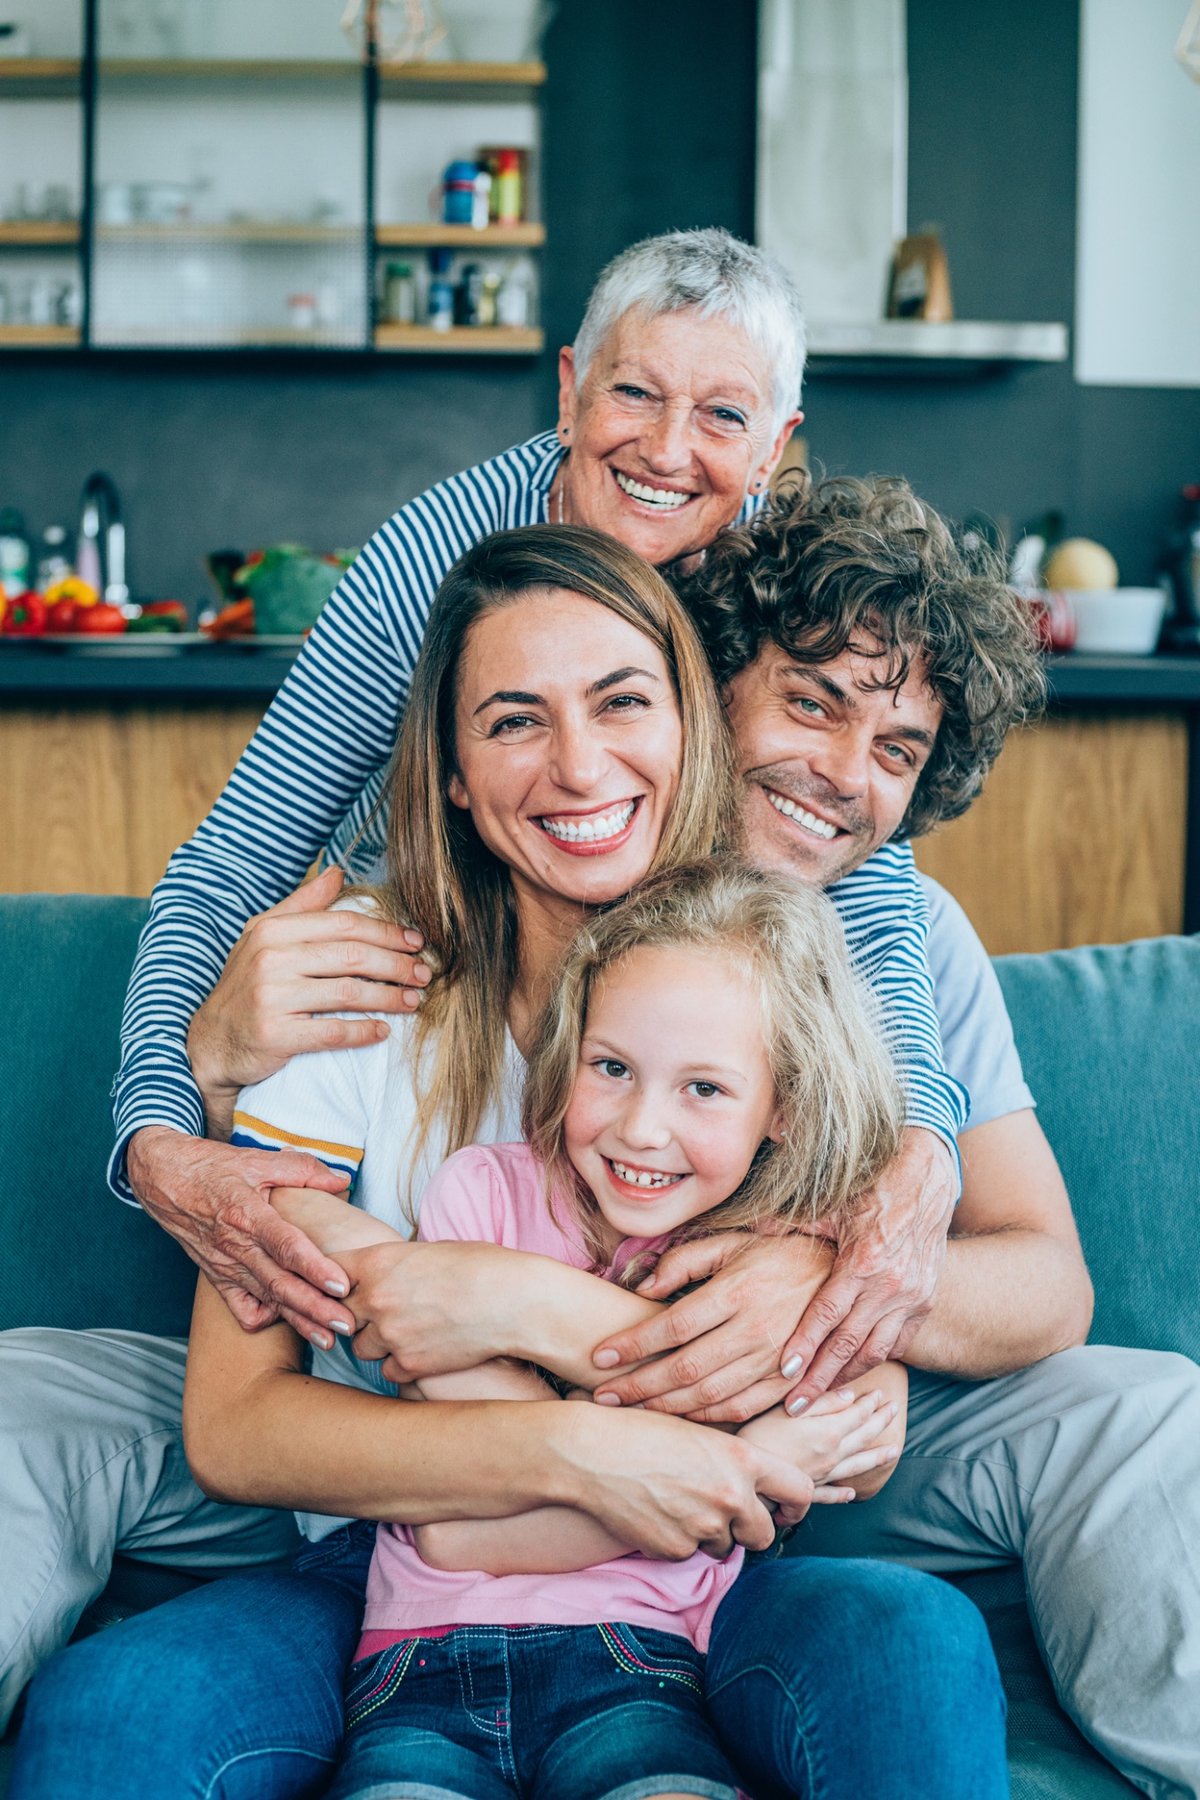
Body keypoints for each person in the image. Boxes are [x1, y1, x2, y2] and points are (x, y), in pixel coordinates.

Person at [0, 228, 969, 1725]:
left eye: (723, 417)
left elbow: (861, 882)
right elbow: (228, 863)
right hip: (420, 1502)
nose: (668, 448)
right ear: (569, 388)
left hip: (691, 1564)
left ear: (779, 447)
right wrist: (162, 1133)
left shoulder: (778, 629)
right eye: (634, 396)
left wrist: (903, 1178)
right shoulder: (380, 922)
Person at [578, 481, 1200, 1800]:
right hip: (562, 1460)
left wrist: (836, 1295)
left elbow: (1050, 1279)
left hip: (859, 1455)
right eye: (814, 701)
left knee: (1151, 1412)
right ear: (711, 679)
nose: (847, 775)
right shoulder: (574, 876)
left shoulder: (917, 944)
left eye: (900, 747)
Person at [203, 858, 981, 1800]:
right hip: (418, 1665)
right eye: (611, 1068)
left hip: (638, 1668)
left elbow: (864, 1428)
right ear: (566, 1055)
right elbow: (456, 1538)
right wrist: (729, 1473)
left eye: (705, 1089)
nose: (642, 1129)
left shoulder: (781, 1257)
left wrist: (683, 1476)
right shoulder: (482, 1194)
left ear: (784, 1106)